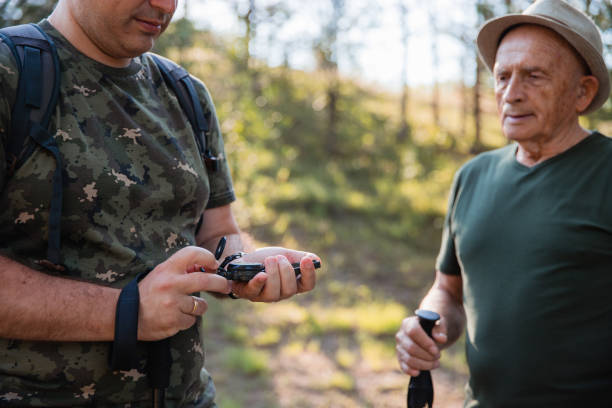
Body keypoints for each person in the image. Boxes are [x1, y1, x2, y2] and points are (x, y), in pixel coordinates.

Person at [0, 0, 320, 406]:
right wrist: (126, 311)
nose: (166, 6)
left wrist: (243, 270)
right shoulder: (11, 72)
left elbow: (218, 233)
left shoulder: (187, 93)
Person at [395, 0, 612, 406]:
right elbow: (449, 290)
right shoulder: (472, 177)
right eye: (502, 77)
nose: (511, 94)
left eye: (534, 76)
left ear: (583, 91)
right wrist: (427, 327)